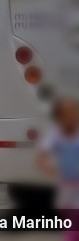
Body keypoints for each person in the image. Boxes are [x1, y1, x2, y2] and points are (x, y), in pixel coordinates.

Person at [38, 98, 79, 240]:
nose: (70, 118)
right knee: (67, 213)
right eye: (65, 115)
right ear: (59, 118)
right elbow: (42, 154)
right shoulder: (57, 135)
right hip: (65, 183)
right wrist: (47, 166)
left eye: (73, 113)